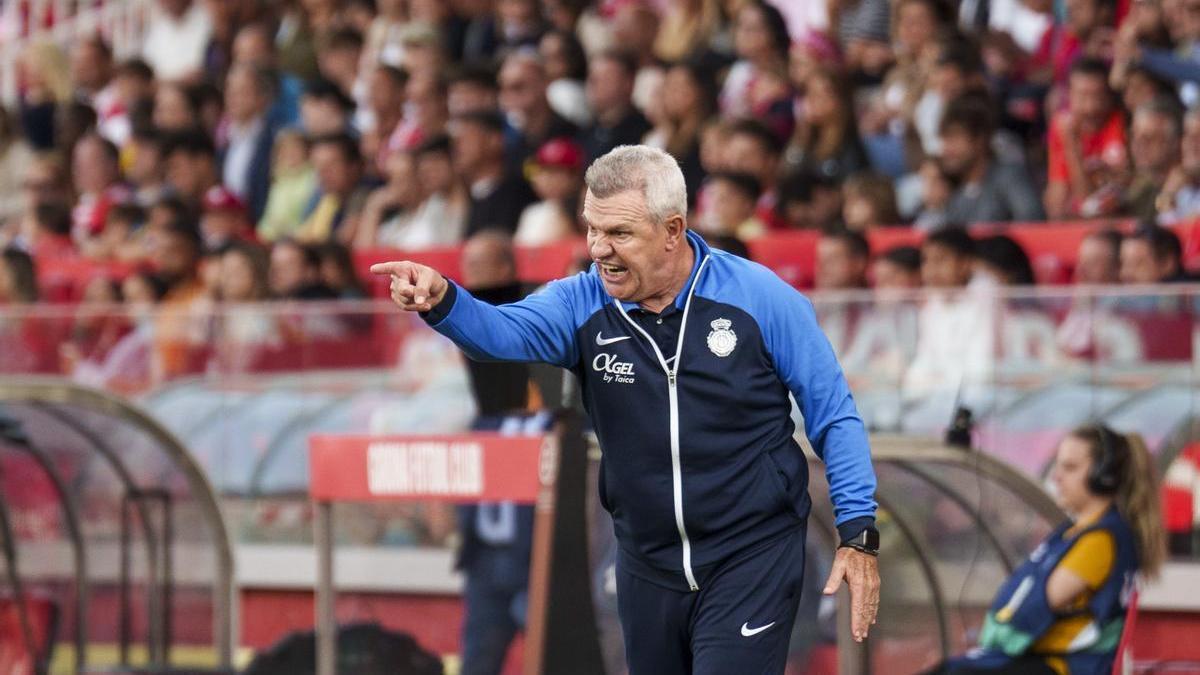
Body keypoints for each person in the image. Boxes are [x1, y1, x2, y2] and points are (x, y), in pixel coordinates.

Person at [371, 145, 880, 675]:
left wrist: (858, 533)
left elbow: (833, 414)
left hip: (750, 557)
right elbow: (501, 333)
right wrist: (444, 301)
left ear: (672, 229)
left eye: (619, 234)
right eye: (592, 229)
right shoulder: (581, 303)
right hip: (643, 562)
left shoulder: (760, 299)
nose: (599, 249)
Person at [928, 426, 1166, 675]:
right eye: (1058, 466)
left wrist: (993, 638)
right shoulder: (1072, 533)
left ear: (1103, 475)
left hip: (1064, 667)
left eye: (1070, 467)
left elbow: (1039, 604)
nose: (1056, 477)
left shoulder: (1100, 540)